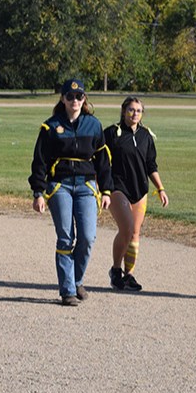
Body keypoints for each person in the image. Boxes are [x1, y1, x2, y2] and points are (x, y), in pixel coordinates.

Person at [29, 79, 113, 306]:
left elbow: (103, 161)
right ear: (63, 99)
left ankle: (77, 280)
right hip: (60, 186)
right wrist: (38, 192)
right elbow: (40, 161)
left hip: (86, 186)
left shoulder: (93, 125)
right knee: (66, 237)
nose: (74, 100)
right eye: (70, 96)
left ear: (84, 99)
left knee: (87, 237)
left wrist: (106, 190)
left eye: (79, 96)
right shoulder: (50, 126)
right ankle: (67, 291)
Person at [104, 97, 168, 292]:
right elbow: (102, 162)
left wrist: (161, 188)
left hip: (140, 189)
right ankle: (116, 270)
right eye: (131, 110)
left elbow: (151, 165)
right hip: (117, 187)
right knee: (128, 228)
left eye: (138, 111)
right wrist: (102, 187)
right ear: (123, 111)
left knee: (135, 233)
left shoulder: (146, 136)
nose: (134, 114)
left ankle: (128, 274)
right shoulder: (111, 133)